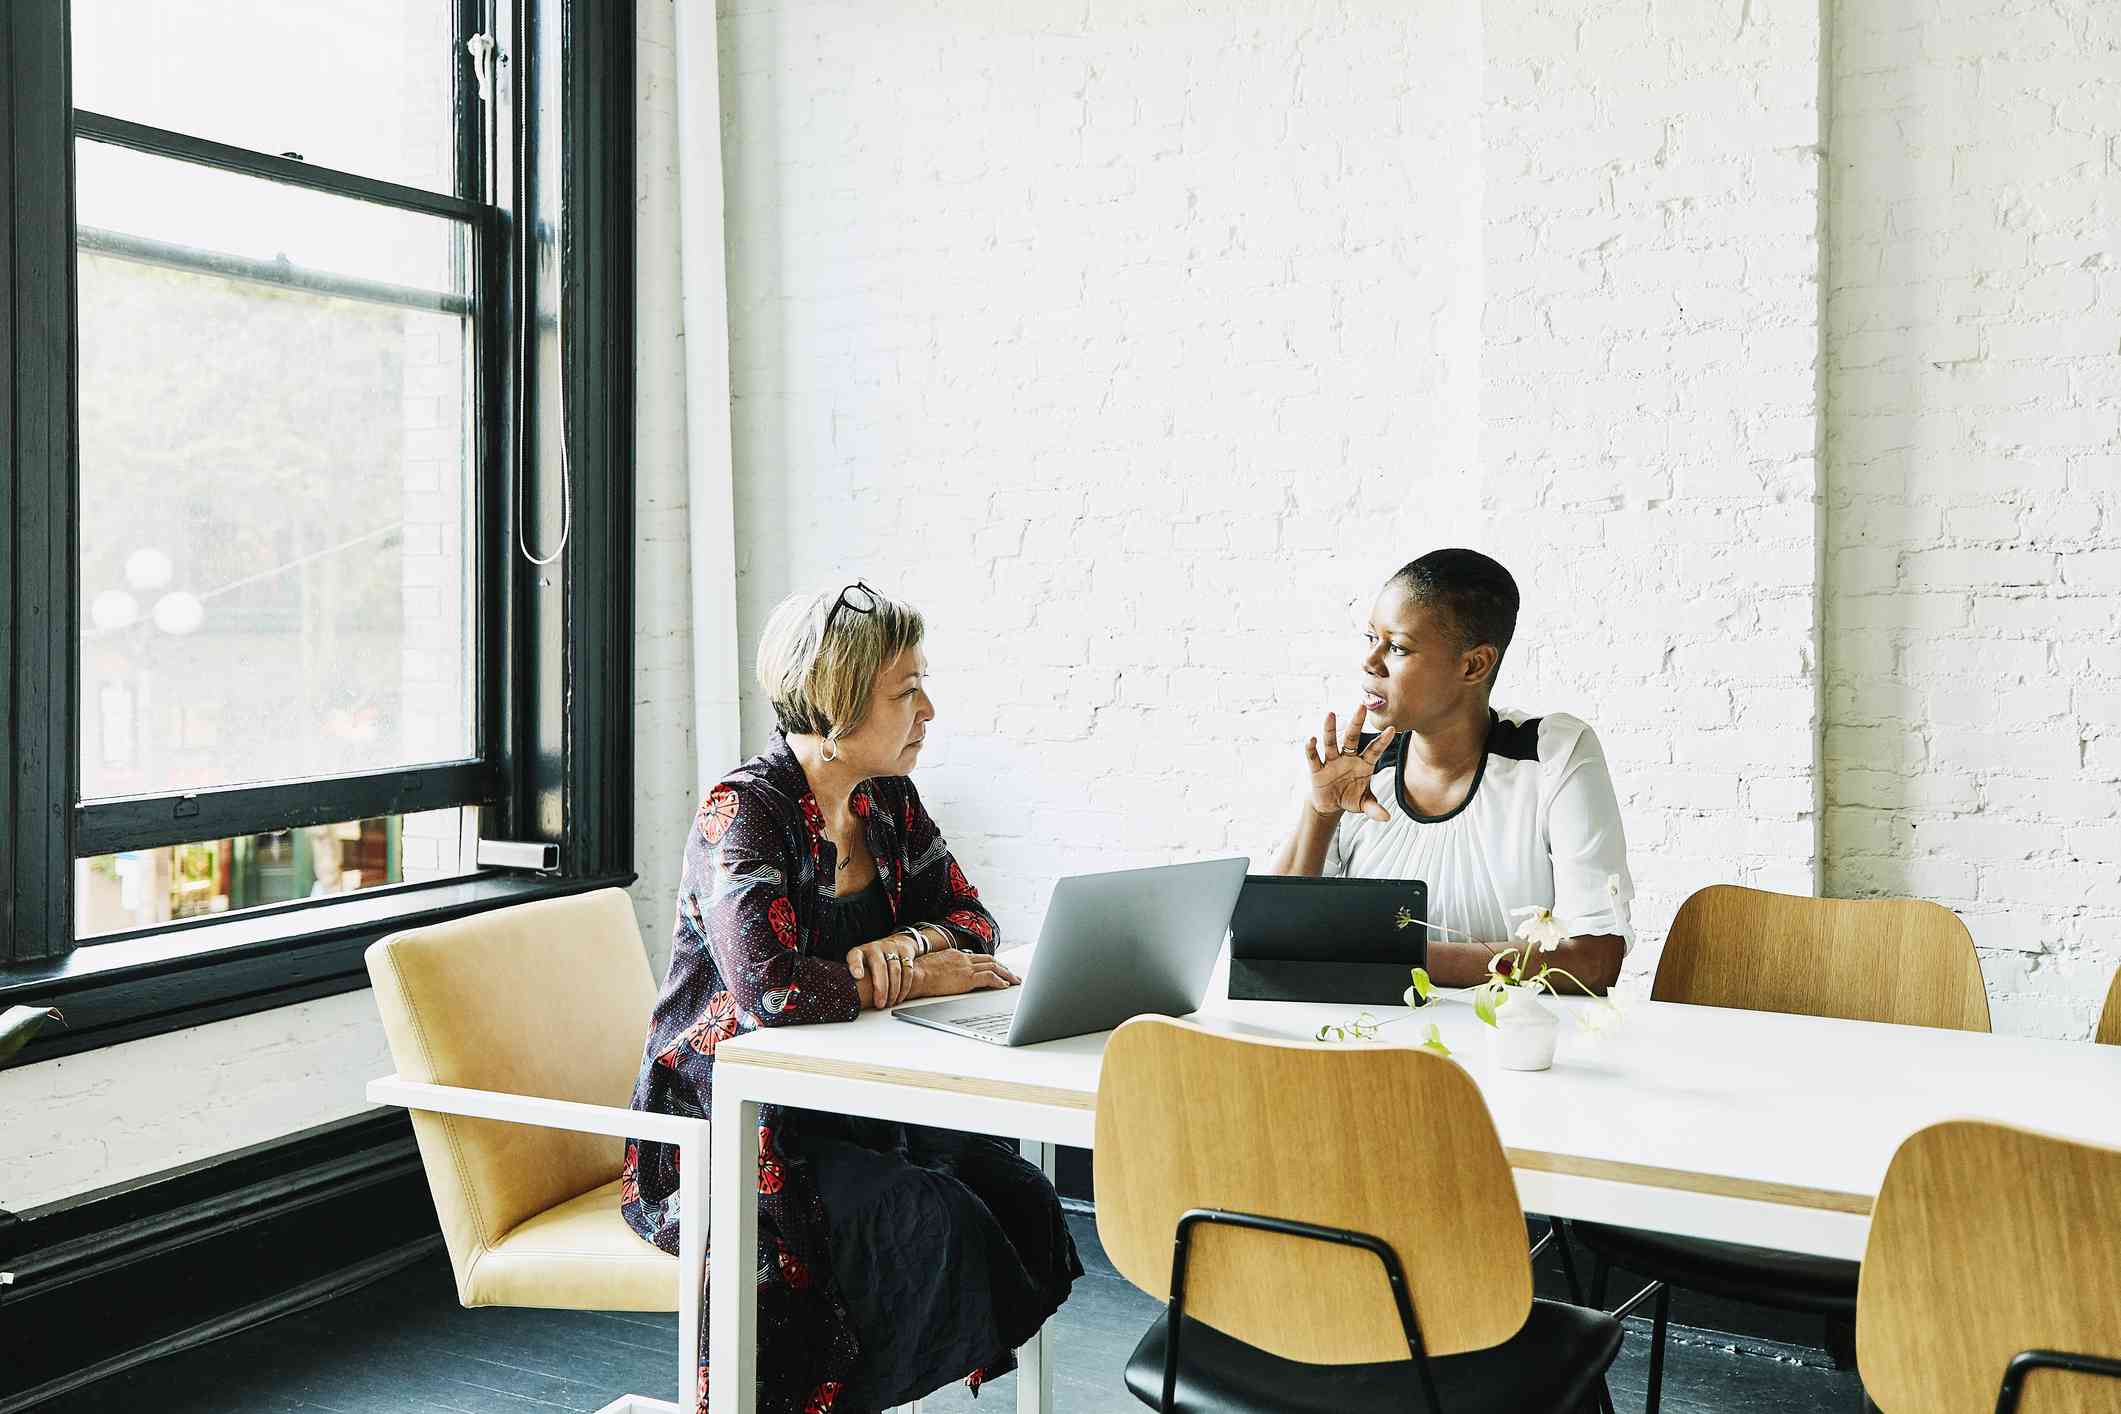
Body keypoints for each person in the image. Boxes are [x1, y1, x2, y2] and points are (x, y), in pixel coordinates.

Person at [623, 582, 1081, 1414]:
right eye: (906, 692)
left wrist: (912, 946)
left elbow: (974, 919)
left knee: (1018, 1194)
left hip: (852, 1104)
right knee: (927, 1217)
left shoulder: (886, 801)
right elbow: (770, 992)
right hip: (732, 1131)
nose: (928, 710)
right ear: (836, 704)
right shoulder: (745, 812)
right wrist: (920, 975)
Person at [1269, 549, 1634, 991]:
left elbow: (1594, 960)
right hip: (1367, 1042)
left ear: (1473, 665)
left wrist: (1379, 956)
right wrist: (1321, 814)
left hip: (1504, 1049)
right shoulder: (1354, 763)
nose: (1371, 662)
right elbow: (1273, 947)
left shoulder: (1550, 755)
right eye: (1371, 639)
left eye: (1398, 647)